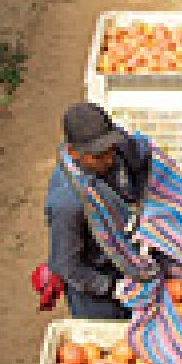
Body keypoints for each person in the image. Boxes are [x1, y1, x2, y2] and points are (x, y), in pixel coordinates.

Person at [44, 102, 153, 319]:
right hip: (97, 287)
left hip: (131, 259)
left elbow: (142, 159)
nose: (108, 159)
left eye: (110, 150)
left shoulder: (117, 144)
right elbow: (67, 265)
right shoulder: (68, 201)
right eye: (98, 156)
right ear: (73, 153)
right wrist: (113, 287)